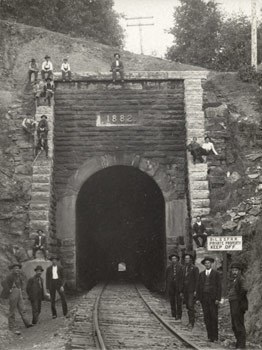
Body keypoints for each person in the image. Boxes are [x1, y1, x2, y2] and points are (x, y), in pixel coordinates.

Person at [0, 263, 33, 333]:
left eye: (18, 268)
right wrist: (9, 290)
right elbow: (3, 283)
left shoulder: (19, 276)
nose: (17, 269)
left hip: (19, 292)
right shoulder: (9, 276)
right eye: (15, 268)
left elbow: (21, 284)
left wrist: (22, 291)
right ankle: (12, 327)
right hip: (13, 293)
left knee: (22, 308)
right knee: (12, 311)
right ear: (12, 269)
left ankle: (27, 323)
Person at [197, 256, 222, 343]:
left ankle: (215, 337)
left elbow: (219, 287)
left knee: (214, 317)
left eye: (208, 263)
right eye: (205, 263)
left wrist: (218, 298)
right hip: (204, 298)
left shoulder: (216, 274)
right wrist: (198, 299)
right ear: (204, 265)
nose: (207, 264)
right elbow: (199, 287)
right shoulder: (201, 275)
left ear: (211, 264)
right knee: (206, 317)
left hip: (213, 299)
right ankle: (209, 336)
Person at [228, 262, 248, 349]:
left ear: (239, 271)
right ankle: (238, 343)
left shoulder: (241, 279)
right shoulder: (234, 280)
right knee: (234, 324)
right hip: (233, 303)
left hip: (238, 304)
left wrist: (239, 299)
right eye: (233, 270)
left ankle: (241, 345)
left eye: (236, 270)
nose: (234, 272)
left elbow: (244, 289)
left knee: (238, 324)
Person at [180, 253, 199, 329]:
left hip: (191, 290)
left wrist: (196, 290)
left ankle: (192, 322)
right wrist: (181, 291)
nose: (187, 260)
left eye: (188, 258)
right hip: (185, 290)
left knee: (191, 305)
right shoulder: (183, 268)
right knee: (188, 305)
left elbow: (197, 280)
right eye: (186, 259)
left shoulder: (194, 268)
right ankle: (190, 321)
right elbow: (181, 280)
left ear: (191, 259)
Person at [165, 253, 183, 320]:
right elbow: (167, 278)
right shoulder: (169, 268)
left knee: (179, 301)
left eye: (175, 259)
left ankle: (179, 315)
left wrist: (182, 288)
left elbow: (182, 278)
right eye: (172, 259)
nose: (174, 260)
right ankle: (173, 314)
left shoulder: (181, 267)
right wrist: (167, 286)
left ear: (177, 259)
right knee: (172, 300)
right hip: (171, 286)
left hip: (178, 286)